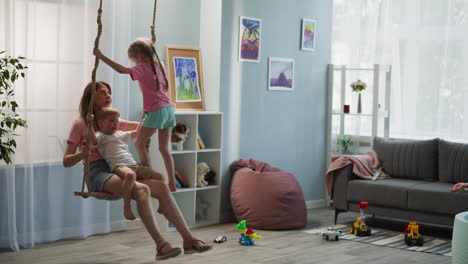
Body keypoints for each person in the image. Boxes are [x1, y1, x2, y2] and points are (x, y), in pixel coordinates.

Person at [63, 81, 212, 260]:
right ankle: (161, 245)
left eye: (109, 92)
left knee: (161, 186)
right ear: (91, 97)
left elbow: (144, 127)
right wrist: (82, 156)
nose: (108, 95)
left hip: (119, 169)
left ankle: (189, 240)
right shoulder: (80, 124)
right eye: (103, 92)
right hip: (98, 173)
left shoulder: (114, 121)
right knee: (142, 189)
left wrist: (157, 109)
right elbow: (66, 161)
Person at [94, 39, 177, 193]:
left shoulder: (142, 68)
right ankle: (172, 182)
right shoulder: (160, 65)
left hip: (157, 110)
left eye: (133, 58)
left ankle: (150, 175)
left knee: (139, 144)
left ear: (138, 55)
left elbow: (121, 70)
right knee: (164, 149)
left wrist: (101, 56)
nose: (133, 61)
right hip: (169, 110)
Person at [87, 107, 162, 221]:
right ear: (101, 123)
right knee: (130, 175)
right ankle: (127, 207)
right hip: (119, 166)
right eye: (111, 121)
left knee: (160, 176)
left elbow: (137, 132)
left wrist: (143, 117)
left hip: (134, 165)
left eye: (117, 121)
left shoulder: (121, 134)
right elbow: (92, 140)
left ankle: (161, 204)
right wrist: (89, 123)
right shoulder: (100, 136)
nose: (115, 123)